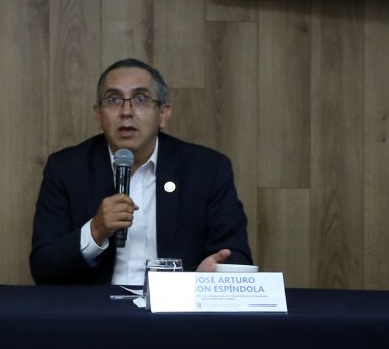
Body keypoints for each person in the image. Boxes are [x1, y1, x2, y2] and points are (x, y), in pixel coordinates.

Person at [29, 59, 250, 286]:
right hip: (94, 312)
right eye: (114, 100)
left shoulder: (207, 170)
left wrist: (204, 279)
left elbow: (235, 256)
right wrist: (95, 232)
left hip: (176, 311)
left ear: (163, 114)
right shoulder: (66, 169)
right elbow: (43, 269)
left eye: (141, 99)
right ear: (98, 115)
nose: (126, 111)